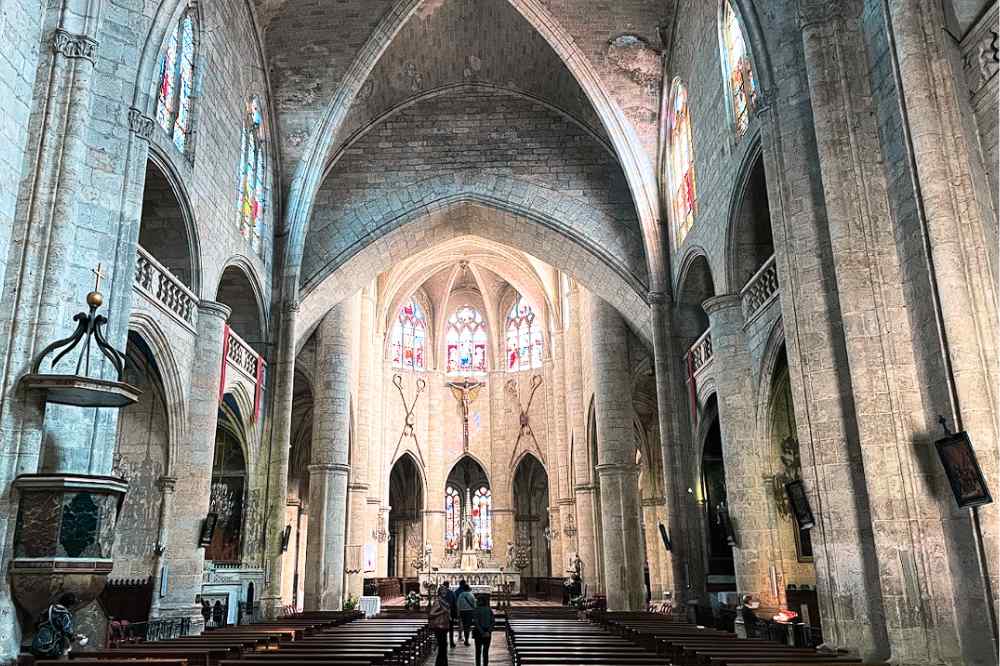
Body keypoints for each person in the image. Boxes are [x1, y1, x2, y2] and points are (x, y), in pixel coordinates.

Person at [30, 593, 88, 658]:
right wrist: (77, 637)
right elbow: (68, 633)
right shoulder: (65, 615)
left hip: (35, 647)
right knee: (66, 649)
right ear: (70, 605)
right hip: (48, 650)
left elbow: (37, 622)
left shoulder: (50, 608)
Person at [428, 587, 452, 666]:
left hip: (444, 626)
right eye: (442, 591)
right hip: (439, 627)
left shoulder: (443, 601)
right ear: (439, 592)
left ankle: (443, 663)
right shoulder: (438, 602)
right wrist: (442, 611)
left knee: (444, 647)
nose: (444, 592)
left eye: (445, 591)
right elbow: (431, 614)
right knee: (442, 647)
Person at [471, 593, 495, 666]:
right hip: (487, 631)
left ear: (480, 601)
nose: (476, 602)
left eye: (477, 600)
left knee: (478, 651)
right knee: (486, 651)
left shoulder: (476, 610)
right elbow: (493, 621)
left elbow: (476, 622)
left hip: (478, 632)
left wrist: (482, 632)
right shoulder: (489, 609)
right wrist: (488, 631)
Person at [456, 580, 477, 645]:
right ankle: (467, 640)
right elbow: (474, 604)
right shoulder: (471, 595)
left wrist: (458, 613)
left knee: (464, 625)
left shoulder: (460, 595)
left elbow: (458, 605)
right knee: (468, 626)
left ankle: (465, 638)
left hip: (462, 612)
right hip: (469, 612)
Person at [441, 580, 458, 648]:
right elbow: (454, 603)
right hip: (450, 612)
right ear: (448, 585)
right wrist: (455, 613)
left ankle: (443, 642)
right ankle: (451, 642)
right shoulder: (452, 593)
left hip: (442, 613)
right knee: (451, 628)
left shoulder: (441, 593)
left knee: (443, 628)